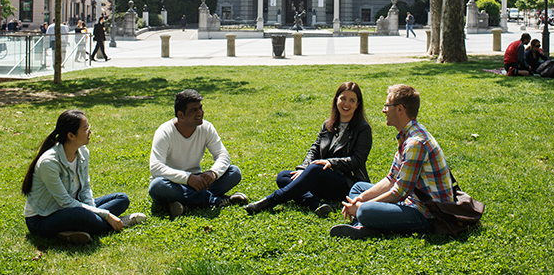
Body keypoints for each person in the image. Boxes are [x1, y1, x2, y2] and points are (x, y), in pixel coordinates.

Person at [330, 84, 454, 239]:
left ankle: (363, 223)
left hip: (426, 214)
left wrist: (363, 206)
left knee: (364, 210)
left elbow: (399, 192)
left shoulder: (415, 143)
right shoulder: (408, 134)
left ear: (400, 109)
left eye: (387, 105)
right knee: (358, 188)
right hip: (409, 201)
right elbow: (391, 179)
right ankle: (367, 224)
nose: (384, 110)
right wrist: (361, 199)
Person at [244, 82, 372, 217]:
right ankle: (317, 204)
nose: (346, 104)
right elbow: (315, 148)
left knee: (316, 168)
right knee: (284, 176)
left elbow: (358, 160)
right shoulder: (328, 124)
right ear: (336, 100)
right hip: (322, 178)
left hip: (347, 183)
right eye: (343, 98)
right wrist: (303, 169)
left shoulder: (362, 128)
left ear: (358, 105)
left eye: (352, 100)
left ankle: (270, 201)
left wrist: (331, 163)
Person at [22, 110, 146, 244]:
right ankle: (120, 223)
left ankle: (71, 231)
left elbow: (85, 187)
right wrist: (105, 214)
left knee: (122, 199)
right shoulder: (49, 163)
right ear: (71, 135)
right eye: (85, 129)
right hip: (42, 218)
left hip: (74, 207)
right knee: (81, 215)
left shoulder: (82, 152)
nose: (90, 132)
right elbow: (66, 202)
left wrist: (94, 211)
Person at [148, 89, 248, 219]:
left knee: (233, 172)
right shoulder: (164, 132)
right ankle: (216, 201)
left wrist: (213, 173)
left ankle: (183, 204)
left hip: (198, 181)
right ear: (181, 115)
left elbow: (222, 155)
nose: (200, 113)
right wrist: (187, 178)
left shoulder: (206, 128)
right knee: (157, 186)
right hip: (173, 182)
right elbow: (155, 168)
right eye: (193, 110)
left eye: (200, 108)